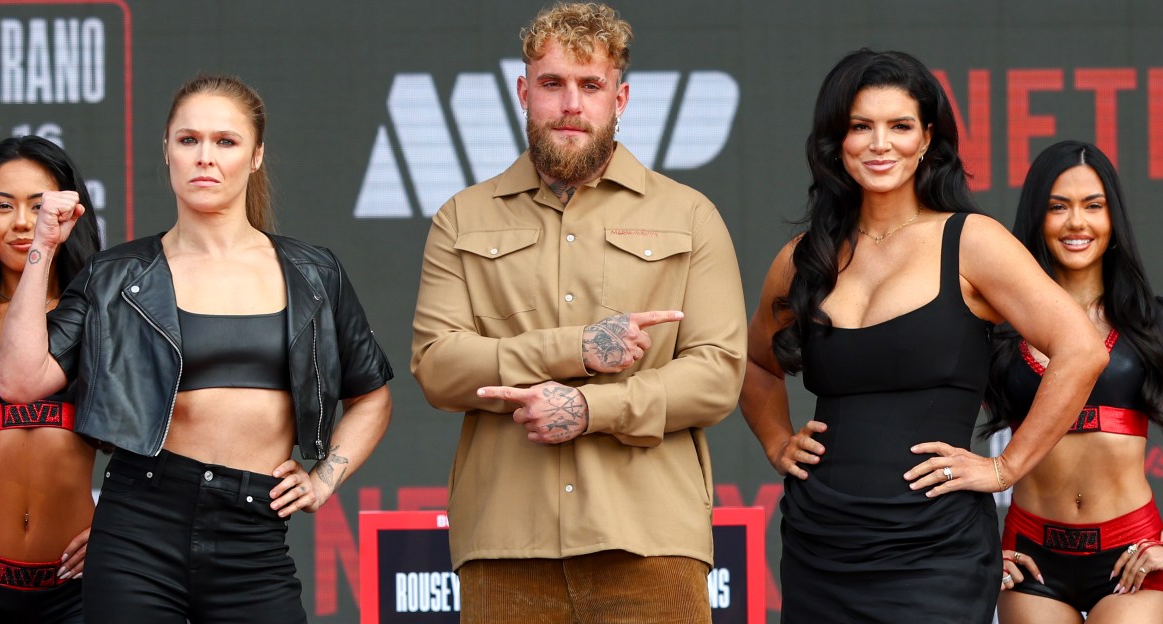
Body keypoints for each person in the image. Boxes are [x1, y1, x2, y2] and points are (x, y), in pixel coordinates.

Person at [0, 75, 394, 623]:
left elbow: (371, 396)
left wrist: (325, 478)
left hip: (254, 536)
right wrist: (42, 246)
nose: (205, 156)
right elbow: (19, 381)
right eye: (189, 140)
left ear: (256, 156)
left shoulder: (313, 272)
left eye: (225, 141)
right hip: (139, 526)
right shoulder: (116, 274)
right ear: (167, 150)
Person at [739, 49, 1108, 623]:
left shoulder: (972, 241)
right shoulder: (803, 258)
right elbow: (755, 363)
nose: (880, 144)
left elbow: (1081, 350)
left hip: (936, 547)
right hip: (821, 540)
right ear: (837, 140)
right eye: (861, 126)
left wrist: (1004, 469)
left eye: (900, 126)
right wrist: (775, 440)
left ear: (927, 138)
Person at [410, 3, 746, 622]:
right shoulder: (462, 218)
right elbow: (437, 366)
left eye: (590, 85)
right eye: (552, 84)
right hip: (506, 539)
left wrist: (592, 409)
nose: (571, 105)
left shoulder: (689, 214)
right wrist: (577, 349)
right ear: (523, 93)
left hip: (650, 538)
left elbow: (718, 374)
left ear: (620, 98)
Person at [985, 140, 1163, 623]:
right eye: (1058, 207)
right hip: (1031, 559)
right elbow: (935, 426)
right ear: (1037, 218)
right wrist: (979, 548)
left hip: (1132, 555)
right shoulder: (998, 329)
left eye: (1093, 206)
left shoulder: (1150, 324)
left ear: (1113, 218)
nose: (1076, 222)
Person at [0, 136, 100, 623]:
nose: (23, 222)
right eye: (3, 206)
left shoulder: (101, 315)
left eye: (39, 206)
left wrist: (118, 529)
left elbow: (162, 441)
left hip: (81, 588)